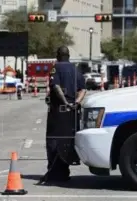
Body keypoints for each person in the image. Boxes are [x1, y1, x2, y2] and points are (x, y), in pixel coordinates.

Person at [40, 46, 86, 184]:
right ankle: (64, 172)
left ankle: (54, 173)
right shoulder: (75, 69)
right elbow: (83, 89)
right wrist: (76, 102)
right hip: (72, 113)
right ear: (69, 55)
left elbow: (55, 86)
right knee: (67, 141)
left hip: (58, 112)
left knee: (53, 141)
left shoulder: (56, 68)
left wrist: (65, 101)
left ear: (58, 55)